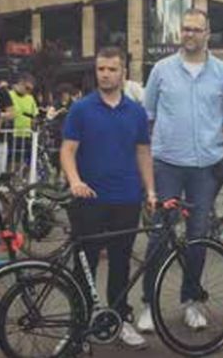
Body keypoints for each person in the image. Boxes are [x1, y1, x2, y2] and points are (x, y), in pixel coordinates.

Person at [137, 8, 223, 333]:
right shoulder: (161, 70)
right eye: (185, 28)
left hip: (205, 169)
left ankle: (192, 300)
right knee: (159, 236)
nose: (189, 34)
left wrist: (219, 152)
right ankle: (149, 304)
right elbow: (148, 116)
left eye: (196, 29)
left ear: (207, 34)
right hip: (167, 164)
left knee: (198, 237)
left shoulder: (222, 73)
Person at [61, 46, 155, 349]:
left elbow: (143, 152)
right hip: (89, 198)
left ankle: (119, 319)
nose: (105, 74)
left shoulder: (136, 112)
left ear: (123, 72)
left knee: (120, 262)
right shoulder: (81, 109)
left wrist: (150, 190)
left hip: (126, 198)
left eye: (112, 69)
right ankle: (78, 327)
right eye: (101, 69)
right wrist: (75, 180)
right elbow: (68, 150)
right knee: (84, 264)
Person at [8, 72, 38, 165]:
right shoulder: (8, 95)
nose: (28, 92)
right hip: (11, 134)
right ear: (20, 83)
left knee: (26, 163)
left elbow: (34, 115)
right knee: (11, 162)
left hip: (27, 135)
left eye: (31, 90)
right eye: (27, 88)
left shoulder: (30, 98)